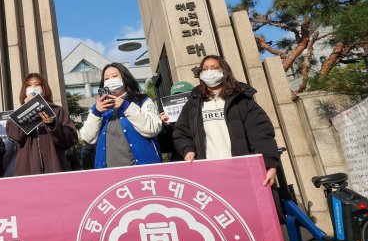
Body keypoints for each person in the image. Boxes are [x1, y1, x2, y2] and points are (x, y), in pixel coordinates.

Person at [173, 55, 280, 187]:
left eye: (214, 68)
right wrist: (188, 149)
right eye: (205, 69)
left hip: (242, 172)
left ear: (224, 71)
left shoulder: (241, 100)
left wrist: (269, 164)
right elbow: (181, 133)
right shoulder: (193, 104)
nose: (209, 72)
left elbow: (261, 133)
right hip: (208, 174)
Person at [80, 63, 162, 168]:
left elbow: (153, 128)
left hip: (142, 171)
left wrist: (126, 106)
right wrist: (97, 112)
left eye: (114, 76)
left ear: (124, 79)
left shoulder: (142, 101)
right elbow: (88, 138)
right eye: (106, 78)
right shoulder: (97, 108)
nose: (110, 80)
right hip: (109, 175)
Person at [5, 73, 78, 175]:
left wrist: (53, 125)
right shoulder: (18, 114)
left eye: (37, 84)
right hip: (27, 170)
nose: (33, 88)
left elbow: (71, 139)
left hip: (55, 167)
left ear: (44, 88)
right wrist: (26, 109)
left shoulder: (57, 111)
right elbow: (15, 137)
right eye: (29, 86)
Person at [157, 81, 194, 163]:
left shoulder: (201, 110)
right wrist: (165, 126)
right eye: (175, 97)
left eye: (184, 96)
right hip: (181, 160)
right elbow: (164, 147)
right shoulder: (170, 119)